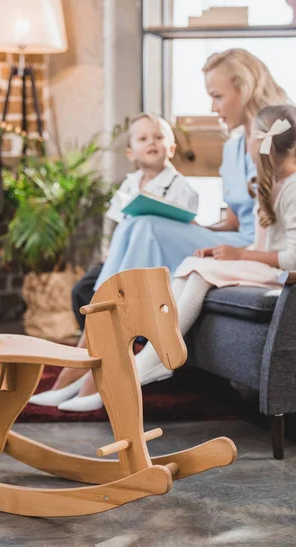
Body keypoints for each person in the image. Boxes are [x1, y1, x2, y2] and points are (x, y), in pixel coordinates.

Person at [31, 48, 288, 412]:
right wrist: (188, 227)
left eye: (217, 96)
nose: (213, 107)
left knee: (145, 224)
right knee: (140, 220)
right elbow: (231, 219)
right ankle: (86, 358)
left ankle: (90, 368)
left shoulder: (271, 140)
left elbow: (275, 221)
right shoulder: (233, 146)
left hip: (252, 247)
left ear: (244, 90)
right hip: (230, 235)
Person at [29, 112, 199, 407]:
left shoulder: (181, 187)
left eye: (159, 138)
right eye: (144, 138)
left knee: (116, 288)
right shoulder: (130, 184)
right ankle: (83, 367)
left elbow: (181, 228)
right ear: (131, 152)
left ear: (172, 148)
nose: (153, 143)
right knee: (85, 289)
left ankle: (89, 374)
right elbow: (118, 225)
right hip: (129, 257)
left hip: (160, 260)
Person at [136, 104, 296, 382]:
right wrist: (224, 253)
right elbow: (265, 242)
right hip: (266, 267)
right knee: (195, 263)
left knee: (200, 272)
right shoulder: (271, 182)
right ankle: (156, 354)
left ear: (263, 142)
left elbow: (294, 260)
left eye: (250, 135)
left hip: (282, 275)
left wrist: (239, 254)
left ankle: (160, 357)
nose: (245, 142)